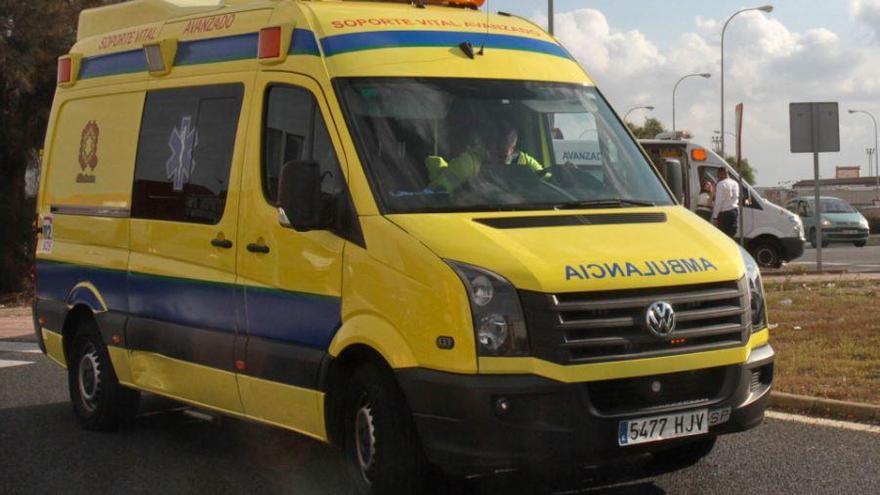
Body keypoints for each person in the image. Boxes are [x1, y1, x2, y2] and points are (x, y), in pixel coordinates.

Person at [426, 123, 546, 192]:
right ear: (489, 144)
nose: (506, 154)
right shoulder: (468, 163)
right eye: (499, 149)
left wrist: (559, 173)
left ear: (514, 147)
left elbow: (548, 180)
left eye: (511, 148)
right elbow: (439, 192)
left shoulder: (523, 161)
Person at [711, 167, 739, 238]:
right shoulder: (735, 183)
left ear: (721, 173)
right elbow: (736, 197)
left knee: (722, 236)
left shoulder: (721, 184)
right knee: (731, 235)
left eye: (718, 175)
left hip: (724, 214)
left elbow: (718, 202)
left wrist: (715, 217)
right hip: (734, 213)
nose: (718, 177)